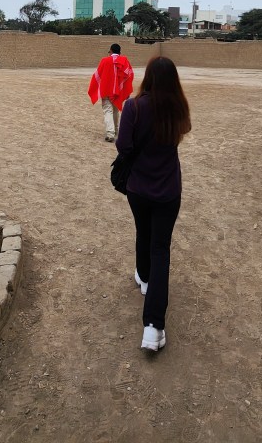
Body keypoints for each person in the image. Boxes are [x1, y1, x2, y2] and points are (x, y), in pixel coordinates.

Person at [116, 56, 191, 352]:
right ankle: (153, 326)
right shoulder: (178, 106)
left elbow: (123, 145)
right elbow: (183, 131)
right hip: (168, 189)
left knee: (142, 232)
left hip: (138, 187)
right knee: (160, 248)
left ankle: (145, 279)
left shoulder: (133, 106)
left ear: (147, 76)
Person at [88, 43, 134, 142]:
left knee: (108, 110)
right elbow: (129, 75)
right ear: (120, 52)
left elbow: (97, 75)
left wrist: (95, 87)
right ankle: (116, 131)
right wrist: (126, 91)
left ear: (111, 51)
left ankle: (110, 133)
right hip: (118, 91)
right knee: (115, 110)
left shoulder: (105, 60)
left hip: (106, 90)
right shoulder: (124, 61)